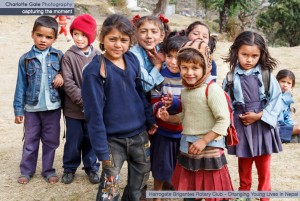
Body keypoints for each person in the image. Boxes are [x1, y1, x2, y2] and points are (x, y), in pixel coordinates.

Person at [81, 14, 157, 201]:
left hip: (139, 135)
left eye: (123, 40)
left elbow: (139, 91)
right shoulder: (95, 71)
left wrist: (150, 118)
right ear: (102, 38)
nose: (118, 45)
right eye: (112, 39)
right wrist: (101, 149)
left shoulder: (131, 59)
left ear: (131, 41)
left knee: (140, 179)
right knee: (110, 186)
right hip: (112, 140)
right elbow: (94, 114)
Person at [157, 39, 233, 201]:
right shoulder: (186, 91)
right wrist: (169, 118)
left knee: (213, 193)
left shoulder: (212, 90)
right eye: (184, 67)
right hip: (189, 147)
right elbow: (185, 116)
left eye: (195, 68)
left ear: (205, 67)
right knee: (190, 193)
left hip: (209, 149)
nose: (189, 72)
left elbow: (223, 121)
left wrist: (204, 141)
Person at [222, 31, 282, 201]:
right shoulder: (230, 78)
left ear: (261, 55)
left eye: (254, 56)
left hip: (263, 126)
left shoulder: (266, 76)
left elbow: (276, 100)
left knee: (264, 167)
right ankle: (244, 195)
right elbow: (225, 102)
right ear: (236, 53)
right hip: (242, 127)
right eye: (244, 55)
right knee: (244, 166)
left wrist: (260, 115)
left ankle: (264, 196)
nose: (249, 59)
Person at [13, 16, 64, 184]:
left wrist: (60, 74)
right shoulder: (25, 59)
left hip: (53, 108)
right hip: (32, 109)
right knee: (30, 140)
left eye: (48, 37)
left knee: (51, 141)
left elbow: (67, 74)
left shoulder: (59, 56)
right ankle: (26, 171)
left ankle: (48, 170)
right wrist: (19, 110)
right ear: (32, 34)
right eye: (39, 35)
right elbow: (21, 85)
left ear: (55, 38)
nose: (43, 40)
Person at [61, 14, 100, 185]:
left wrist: (96, 103)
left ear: (91, 36)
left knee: (91, 140)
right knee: (73, 141)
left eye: (83, 34)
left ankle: (91, 167)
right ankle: (69, 168)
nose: (79, 38)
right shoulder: (68, 56)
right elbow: (68, 83)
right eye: (76, 33)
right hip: (74, 110)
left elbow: (101, 81)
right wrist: (84, 102)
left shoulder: (98, 56)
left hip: (94, 111)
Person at [150, 32, 188, 198]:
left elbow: (191, 105)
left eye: (178, 57)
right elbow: (153, 99)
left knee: (182, 166)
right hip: (163, 131)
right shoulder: (160, 77)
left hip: (184, 132)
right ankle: (156, 195)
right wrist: (160, 107)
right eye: (169, 56)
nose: (173, 62)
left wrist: (173, 104)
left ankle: (177, 188)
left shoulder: (190, 78)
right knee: (160, 166)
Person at [130, 14, 170, 92]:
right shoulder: (133, 54)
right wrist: (158, 65)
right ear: (136, 35)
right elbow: (146, 85)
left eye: (154, 31)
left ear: (162, 36)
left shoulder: (166, 51)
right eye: (143, 31)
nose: (149, 36)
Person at [276, 69, 300, 143]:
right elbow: (277, 112)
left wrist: (292, 125)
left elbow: (287, 117)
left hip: (283, 126)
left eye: (289, 83)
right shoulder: (274, 94)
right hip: (275, 127)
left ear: (292, 86)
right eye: (283, 81)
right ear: (277, 81)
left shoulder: (286, 96)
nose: (285, 85)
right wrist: (287, 96)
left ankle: (293, 137)